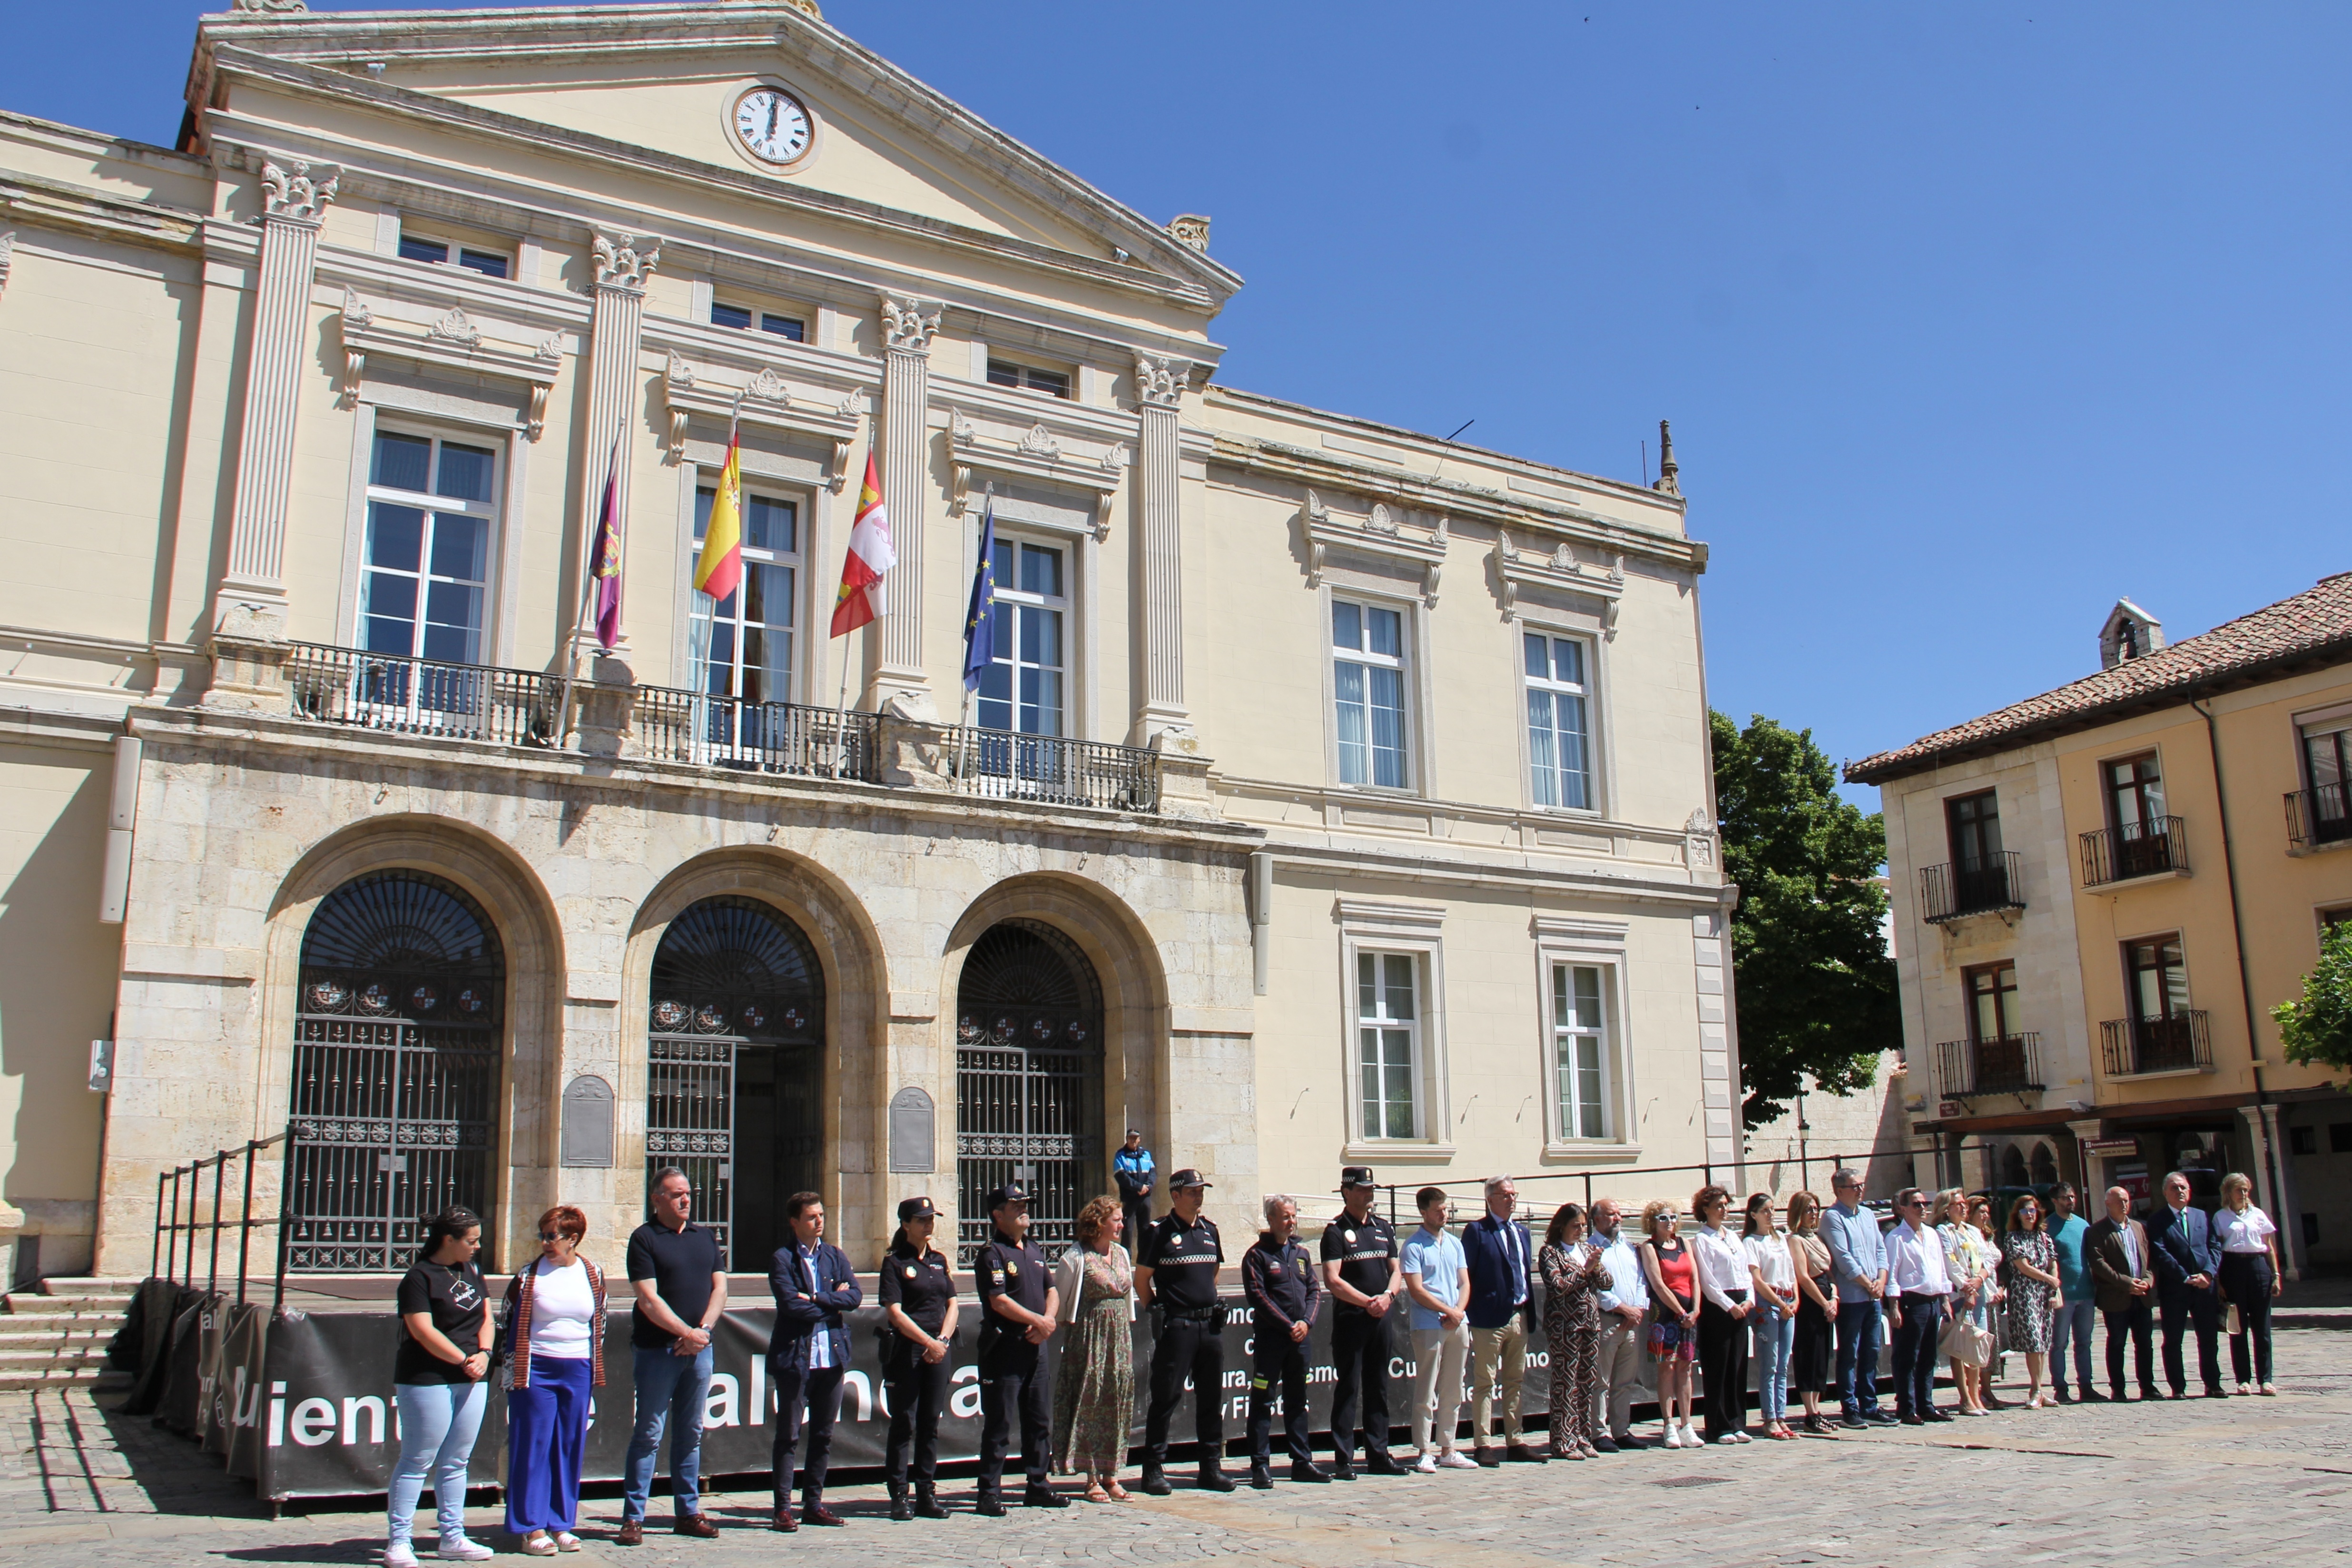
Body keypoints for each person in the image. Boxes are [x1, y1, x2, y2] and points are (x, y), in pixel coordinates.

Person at [619, 1169, 726, 1545]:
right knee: (649, 1432)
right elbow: (648, 1298)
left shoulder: (704, 1236)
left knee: (691, 1433)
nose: (685, 1199)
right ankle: (634, 1517)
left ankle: (688, 1511)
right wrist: (686, 1333)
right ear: (657, 1199)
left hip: (699, 1350)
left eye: (688, 1193)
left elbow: (720, 1288)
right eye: (676, 1194)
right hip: (657, 1350)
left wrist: (703, 1333)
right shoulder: (644, 1238)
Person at [386, 1206, 495, 1568]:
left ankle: (453, 1535)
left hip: (472, 1375)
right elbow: (422, 1329)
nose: (477, 1247)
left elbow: (486, 1316)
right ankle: (399, 1540)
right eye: (471, 1240)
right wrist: (462, 1359)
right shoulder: (419, 1277)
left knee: (457, 1460)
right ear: (448, 1239)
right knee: (418, 1457)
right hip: (428, 1376)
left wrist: (484, 1352)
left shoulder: (472, 1270)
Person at [502, 1205, 605, 1557]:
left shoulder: (593, 1272)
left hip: (577, 1366)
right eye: (542, 1235)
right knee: (533, 1445)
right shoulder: (529, 1275)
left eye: (552, 1236)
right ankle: (530, 1526)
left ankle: (561, 1521)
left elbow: (599, 1319)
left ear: (573, 1239)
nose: (545, 1242)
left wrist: (594, 1367)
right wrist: (510, 1374)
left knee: (568, 1444)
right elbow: (507, 1321)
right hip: (536, 1367)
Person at [767, 1191, 862, 1530]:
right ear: (795, 1222)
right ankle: (782, 1507)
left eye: (821, 1215)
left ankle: (814, 1503)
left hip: (832, 1356)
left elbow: (854, 1296)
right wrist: (831, 1302)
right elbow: (791, 1305)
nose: (819, 1221)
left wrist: (820, 1298)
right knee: (789, 1434)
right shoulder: (783, 1258)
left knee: (823, 1433)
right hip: (796, 1357)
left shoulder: (834, 1256)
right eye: (811, 1217)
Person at [1135, 1169, 1232, 1495]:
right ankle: (1153, 1469)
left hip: (1209, 1325)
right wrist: (1156, 1308)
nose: (1198, 1196)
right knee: (1166, 1397)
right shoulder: (1159, 1232)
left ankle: (1210, 1467)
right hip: (1178, 1326)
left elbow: (1213, 1272)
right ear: (1176, 1195)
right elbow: (1141, 1280)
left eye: (1201, 1190)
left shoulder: (1209, 1231)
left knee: (1210, 1398)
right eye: (1192, 1191)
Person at [973, 1181, 1067, 1514]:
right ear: (998, 1215)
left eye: (1025, 1204)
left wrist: (1048, 1321)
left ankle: (1038, 1485)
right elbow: (998, 1301)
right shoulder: (992, 1253)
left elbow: (1051, 1289)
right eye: (1016, 1206)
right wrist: (1038, 1321)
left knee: (1039, 1420)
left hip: (1036, 1346)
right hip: (1006, 1347)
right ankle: (989, 1492)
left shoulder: (1033, 1248)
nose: (1024, 1209)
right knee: (999, 1422)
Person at [1051, 1193, 1138, 1500]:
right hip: (1089, 1337)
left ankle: (1111, 1472)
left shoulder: (1122, 1254)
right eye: (1116, 1219)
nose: (1122, 1224)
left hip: (1119, 1337)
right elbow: (1061, 1302)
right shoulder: (1077, 1257)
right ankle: (1090, 1476)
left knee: (1117, 1399)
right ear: (1099, 1222)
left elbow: (1128, 1298)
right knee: (1091, 1398)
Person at [878, 1195, 957, 1520]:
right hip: (909, 1350)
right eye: (922, 1219)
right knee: (904, 1423)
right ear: (906, 1224)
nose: (929, 1223)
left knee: (930, 1423)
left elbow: (952, 1302)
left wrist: (942, 1340)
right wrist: (927, 1340)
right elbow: (894, 1312)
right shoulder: (895, 1262)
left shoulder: (938, 1260)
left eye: (931, 1218)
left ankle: (926, 1491)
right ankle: (899, 1494)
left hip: (938, 1349)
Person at [1320, 1166, 1403, 1476]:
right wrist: (1366, 1301)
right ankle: (1344, 1457)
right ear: (1346, 1191)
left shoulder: (1382, 1227)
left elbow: (1396, 1270)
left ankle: (1378, 1453)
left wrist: (1387, 1298)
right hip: (1352, 1318)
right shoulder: (1336, 1230)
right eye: (1362, 1188)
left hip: (1381, 1316)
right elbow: (1332, 1279)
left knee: (1378, 1387)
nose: (1368, 1193)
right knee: (1349, 1388)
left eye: (1371, 1188)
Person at [1243, 1194, 1329, 1487]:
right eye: (1284, 1217)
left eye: (1293, 1216)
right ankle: (1260, 1465)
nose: (1290, 1222)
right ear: (1271, 1220)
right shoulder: (1257, 1256)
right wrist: (1288, 1325)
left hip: (1300, 1341)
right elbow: (1259, 1297)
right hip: (1271, 1341)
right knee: (1263, 1400)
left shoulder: (1301, 1254)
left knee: (1297, 1400)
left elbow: (1314, 1291)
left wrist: (1306, 1322)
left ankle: (1302, 1462)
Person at [1460, 1175, 1545, 1465]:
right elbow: (1467, 1275)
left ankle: (1516, 1440)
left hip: (1519, 1315)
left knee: (1515, 1382)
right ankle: (1483, 1443)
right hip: (1489, 1318)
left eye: (1513, 1194)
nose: (1512, 1199)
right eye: (1505, 1195)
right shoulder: (1477, 1231)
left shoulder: (1521, 1232)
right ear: (1490, 1199)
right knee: (1485, 1382)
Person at [1399, 1185, 1476, 1472]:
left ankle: (1448, 1447)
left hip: (1457, 1322)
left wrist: (1458, 1312)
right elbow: (1417, 1289)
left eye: (1446, 1209)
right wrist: (1447, 1311)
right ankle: (1424, 1450)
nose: (1444, 1215)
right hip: (1429, 1324)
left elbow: (1465, 1283)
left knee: (1454, 1386)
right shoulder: (1414, 1246)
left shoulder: (1455, 1244)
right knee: (1427, 1387)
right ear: (1424, 1212)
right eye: (1438, 1210)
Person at [1820, 1169, 1894, 1428]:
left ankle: (1869, 1405)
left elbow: (1880, 1249)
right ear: (1840, 1191)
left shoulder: (1867, 1215)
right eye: (1854, 1186)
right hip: (1853, 1297)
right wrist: (1867, 1283)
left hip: (1873, 1296)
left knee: (1871, 1351)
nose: (1860, 1190)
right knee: (1850, 1352)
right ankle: (1850, 1408)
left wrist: (1881, 1281)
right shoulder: (1832, 1217)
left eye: (1861, 1185)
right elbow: (1843, 1257)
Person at [1535, 1202, 1607, 1460]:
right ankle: (1563, 1441)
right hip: (1564, 1327)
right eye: (1575, 1225)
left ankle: (1583, 1437)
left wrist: (1596, 1266)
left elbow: (1607, 1283)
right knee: (1566, 1383)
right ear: (1562, 1225)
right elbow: (1557, 1285)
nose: (1580, 1230)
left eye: (1583, 1226)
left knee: (1586, 1381)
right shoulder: (1550, 1253)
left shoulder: (1587, 1249)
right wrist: (1584, 1271)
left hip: (1590, 1323)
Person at [2149, 1170, 2225, 1399]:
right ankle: (2178, 1387)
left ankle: (2213, 1383)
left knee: (2209, 1338)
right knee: (2173, 1340)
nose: (2180, 1191)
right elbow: (2160, 1253)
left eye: (2183, 1187)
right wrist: (2184, 1277)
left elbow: (2214, 1247)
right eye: (2174, 1188)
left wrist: (2208, 1274)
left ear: (2189, 1191)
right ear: (2165, 1193)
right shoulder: (2158, 1220)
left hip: (2205, 1288)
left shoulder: (2202, 1217)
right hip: (2176, 1289)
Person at [1883, 1186, 1953, 1425]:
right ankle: (1907, 1407)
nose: (1923, 1208)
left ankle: (1927, 1405)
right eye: (1917, 1204)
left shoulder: (1932, 1234)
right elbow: (1892, 1274)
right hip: (1911, 1303)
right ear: (1903, 1209)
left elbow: (1940, 1268)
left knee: (1928, 1357)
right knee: (1908, 1357)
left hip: (1932, 1300)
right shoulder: (1896, 1238)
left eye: (1925, 1204)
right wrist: (1894, 1306)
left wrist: (1945, 1299)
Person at [1688, 1185, 1751, 1445]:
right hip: (1718, 1306)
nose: (1724, 1210)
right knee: (1718, 1366)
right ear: (1706, 1210)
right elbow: (1708, 1280)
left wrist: (1749, 1300)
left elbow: (1746, 1271)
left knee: (1738, 1365)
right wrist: (1729, 1306)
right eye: (1718, 1206)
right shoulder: (1703, 1240)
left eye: (1726, 1205)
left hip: (1741, 1302)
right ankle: (1718, 1425)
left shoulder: (1733, 1237)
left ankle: (1737, 1422)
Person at [1589, 1197, 1652, 1451]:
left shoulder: (1627, 1246)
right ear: (1597, 1219)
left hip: (1631, 1322)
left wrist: (1636, 1309)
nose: (1617, 1218)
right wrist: (1622, 1308)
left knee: (1624, 1381)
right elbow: (1596, 1287)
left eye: (1619, 1214)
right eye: (1611, 1214)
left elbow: (1640, 1279)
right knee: (1601, 1381)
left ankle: (1622, 1430)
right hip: (1608, 1321)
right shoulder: (1590, 1247)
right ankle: (1599, 1432)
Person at [1637, 1199, 1701, 1449]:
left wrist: (1695, 1310)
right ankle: (1668, 1424)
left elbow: (1694, 1277)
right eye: (1663, 1218)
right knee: (1667, 1367)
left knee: (1686, 1367)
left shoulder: (1685, 1243)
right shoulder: (1650, 1247)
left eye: (1673, 1217)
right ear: (1653, 1222)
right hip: (1665, 1315)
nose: (1670, 1222)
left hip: (1689, 1317)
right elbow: (1659, 1284)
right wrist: (1680, 1311)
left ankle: (1687, 1424)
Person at [2213, 1171, 2282, 1397]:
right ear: (2228, 1193)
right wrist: (2219, 1281)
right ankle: (2243, 1379)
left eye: (2246, 1190)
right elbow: (2217, 1250)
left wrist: (2276, 1274)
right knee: (2238, 1328)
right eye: (2239, 1190)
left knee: (2262, 1328)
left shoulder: (2258, 1215)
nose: (2243, 1194)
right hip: (2233, 1268)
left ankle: (2266, 1380)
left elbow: (2269, 1246)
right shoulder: (2220, 1217)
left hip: (2258, 1268)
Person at [2086, 1185, 2157, 1401]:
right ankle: (2118, 1388)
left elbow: (2150, 1260)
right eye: (2119, 1201)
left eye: (2127, 1200)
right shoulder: (2097, 1231)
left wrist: (2147, 1282)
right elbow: (2098, 1264)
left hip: (2142, 1297)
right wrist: (2127, 1283)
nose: (2125, 1205)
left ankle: (2148, 1387)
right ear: (2108, 1204)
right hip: (2116, 1297)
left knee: (2145, 1343)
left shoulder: (2139, 1227)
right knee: (2117, 1342)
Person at [1742, 1192, 1798, 1440]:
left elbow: (1791, 1271)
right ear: (1754, 1214)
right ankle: (1770, 1417)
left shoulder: (1780, 1239)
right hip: (1768, 1304)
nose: (1770, 1214)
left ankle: (1782, 1415)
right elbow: (1757, 1279)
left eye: (1772, 1209)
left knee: (1784, 1364)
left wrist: (1795, 1298)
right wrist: (1777, 1302)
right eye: (1765, 1210)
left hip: (1788, 1300)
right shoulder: (1751, 1243)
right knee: (1771, 1364)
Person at [1784, 1192, 1840, 1438]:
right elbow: (1803, 1276)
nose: (1813, 1214)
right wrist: (1823, 1302)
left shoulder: (1817, 1239)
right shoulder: (1796, 1240)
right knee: (1808, 1355)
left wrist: (1834, 1298)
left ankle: (1817, 1409)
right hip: (1810, 1303)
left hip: (1827, 1297)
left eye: (1816, 1209)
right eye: (1808, 1209)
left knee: (1821, 1356)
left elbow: (1830, 1271)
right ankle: (1809, 1412)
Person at [1934, 1189, 1992, 1416]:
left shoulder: (1972, 1231)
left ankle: (1976, 1394)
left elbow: (1987, 1258)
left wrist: (1980, 1279)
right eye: (1957, 1204)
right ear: (1946, 1209)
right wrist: (1967, 1287)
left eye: (1963, 1204)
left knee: (1977, 1343)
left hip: (1979, 1291)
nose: (1962, 1208)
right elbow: (1951, 1262)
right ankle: (1965, 1397)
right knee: (1960, 1344)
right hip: (1960, 1294)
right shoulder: (1944, 1231)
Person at [2001, 1193, 2059, 1409]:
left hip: (2044, 1295)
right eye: (2025, 1210)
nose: (2029, 1215)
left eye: (2033, 1210)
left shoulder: (2044, 1238)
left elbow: (2052, 1262)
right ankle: (2035, 1390)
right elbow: (2023, 1266)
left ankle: (2040, 1389)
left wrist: (2053, 1285)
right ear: (2018, 1214)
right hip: (2025, 1294)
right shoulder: (2013, 1238)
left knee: (2043, 1343)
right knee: (2033, 1342)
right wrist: (2049, 1278)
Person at [2044, 1183, 2100, 1404]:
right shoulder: (2048, 1226)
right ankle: (2060, 1388)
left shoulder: (2083, 1225)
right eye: (2066, 1197)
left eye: (2072, 1196)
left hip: (2085, 1292)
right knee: (2059, 1343)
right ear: (2055, 1201)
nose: (2070, 1201)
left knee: (2084, 1342)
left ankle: (2086, 1386)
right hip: (2062, 1296)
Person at [1968, 1195, 2011, 1407]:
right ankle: (1976, 1392)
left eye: (1987, 1212)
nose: (1985, 1216)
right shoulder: (1967, 1234)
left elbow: (1999, 1265)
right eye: (1981, 1212)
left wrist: (2002, 1288)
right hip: (1979, 1296)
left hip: (1994, 1296)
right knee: (1979, 1346)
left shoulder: (1988, 1235)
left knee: (1991, 1348)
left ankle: (1987, 1389)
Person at [1113, 1131, 1156, 1253]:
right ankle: (1127, 1257)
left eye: (1135, 1138)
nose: (1133, 1140)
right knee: (1127, 1229)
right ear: (1127, 1139)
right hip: (1129, 1198)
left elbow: (1152, 1173)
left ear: (1139, 1140)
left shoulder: (1146, 1154)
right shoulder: (1121, 1155)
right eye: (1130, 1138)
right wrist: (1138, 1187)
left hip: (1145, 1198)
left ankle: (1145, 1257)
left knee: (1145, 1228)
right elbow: (1121, 1176)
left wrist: (1147, 1187)